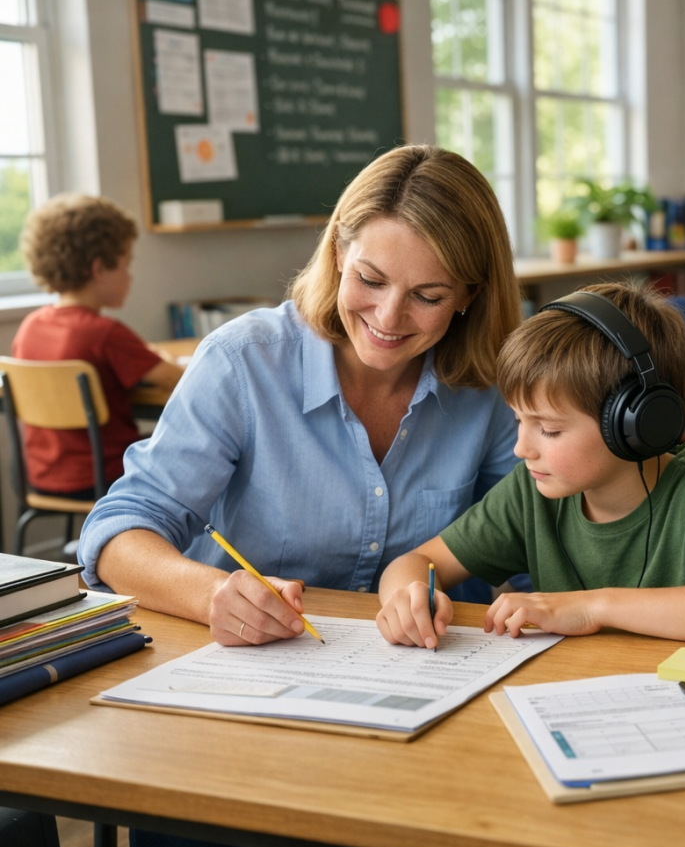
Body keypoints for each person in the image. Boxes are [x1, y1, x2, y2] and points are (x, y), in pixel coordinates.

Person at [80, 144, 523, 640]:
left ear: (470, 295)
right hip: (253, 662)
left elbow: (536, 539)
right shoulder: (243, 361)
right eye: (370, 279)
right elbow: (118, 533)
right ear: (338, 253)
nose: (388, 317)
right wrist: (211, 596)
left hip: (435, 667)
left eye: (428, 296)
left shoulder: (490, 387)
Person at [376, 282, 685, 648]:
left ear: (637, 424)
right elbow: (414, 563)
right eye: (519, 421)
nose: (521, 449)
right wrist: (408, 597)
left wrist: (591, 607)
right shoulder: (532, 491)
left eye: (549, 429)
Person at [13, 194, 184, 497]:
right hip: (109, 475)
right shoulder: (105, 334)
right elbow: (180, 380)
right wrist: (160, 357)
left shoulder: (30, 327)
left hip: (43, 476)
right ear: (98, 268)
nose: (130, 276)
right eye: (125, 264)